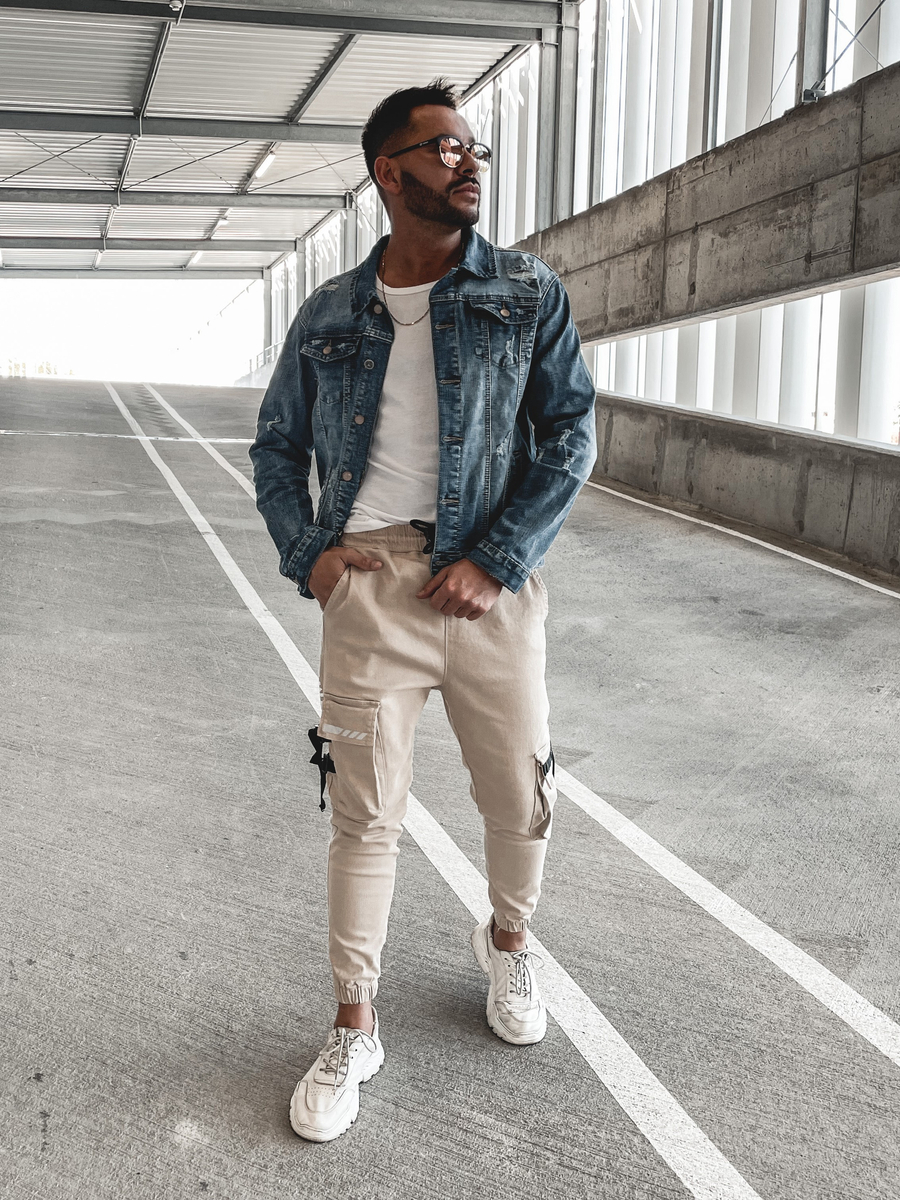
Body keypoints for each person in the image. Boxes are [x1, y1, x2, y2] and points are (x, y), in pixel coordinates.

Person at [249, 78, 597, 1143]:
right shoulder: (329, 311)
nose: (468, 161)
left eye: (473, 146)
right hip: (370, 593)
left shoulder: (526, 292)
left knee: (520, 793)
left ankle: (509, 942)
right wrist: (310, 556)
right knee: (365, 817)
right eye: (444, 148)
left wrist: (496, 559)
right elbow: (276, 447)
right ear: (388, 172)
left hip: (490, 591)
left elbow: (571, 435)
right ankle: (354, 1023)